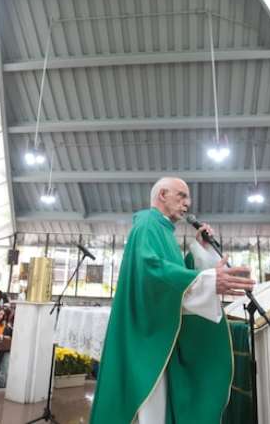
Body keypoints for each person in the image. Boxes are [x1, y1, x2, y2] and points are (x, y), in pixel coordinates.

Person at [90, 177, 255, 424]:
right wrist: (208, 280)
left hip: (162, 330)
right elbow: (151, 270)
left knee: (164, 404)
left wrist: (198, 251)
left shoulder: (164, 230)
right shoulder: (147, 223)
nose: (187, 203)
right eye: (181, 196)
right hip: (149, 334)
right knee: (155, 406)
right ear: (162, 195)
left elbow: (173, 273)